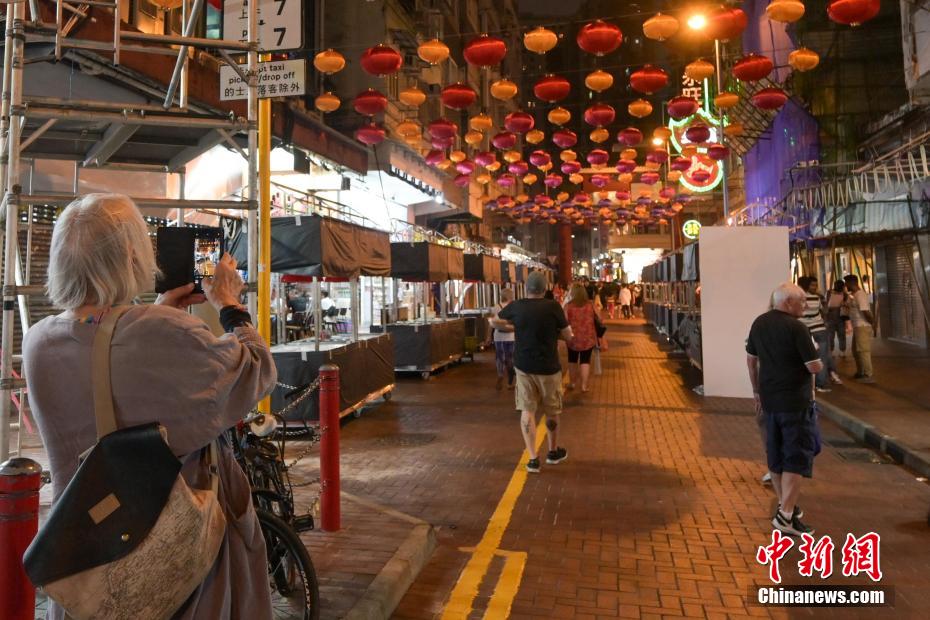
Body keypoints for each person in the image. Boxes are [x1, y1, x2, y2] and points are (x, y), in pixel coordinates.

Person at [23, 194, 277, 619]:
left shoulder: (38, 341)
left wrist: (163, 314)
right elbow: (256, 369)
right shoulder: (163, 332)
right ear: (131, 256)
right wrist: (230, 304)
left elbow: (110, 362)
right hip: (177, 562)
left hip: (91, 565)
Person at [746, 282, 823, 536]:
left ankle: (785, 507)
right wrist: (817, 356)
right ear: (788, 303)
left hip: (769, 400)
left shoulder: (759, 323)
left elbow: (751, 360)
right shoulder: (797, 329)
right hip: (795, 403)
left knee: (776, 456)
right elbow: (814, 367)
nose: (806, 305)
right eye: (802, 300)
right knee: (796, 457)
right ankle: (786, 516)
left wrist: (756, 390)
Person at [495, 271, 573, 473]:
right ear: (545, 288)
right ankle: (553, 452)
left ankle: (532, 458)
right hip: (549, 367)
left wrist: (514, 327)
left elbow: (494, 320)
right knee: (552, 410)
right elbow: (567, 334)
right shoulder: (553, 307)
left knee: (527, 410)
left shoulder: (517, 305)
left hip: (524, 367)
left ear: (526, 288)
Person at [797, 276, 833, 392]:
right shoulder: (817, 298)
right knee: (822, 357)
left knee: (804, 357)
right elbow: (823, 311)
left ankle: (806, 384)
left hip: (805, 331)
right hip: (819, 329)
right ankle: (821, 384)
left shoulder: (798, 299)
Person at [563, 283, 599, 393]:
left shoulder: (568, 306)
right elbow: (600, 318)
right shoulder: (590, 305)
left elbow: (564, 321)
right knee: (585, 361)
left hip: (572, 338)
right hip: (588, 337)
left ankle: (572, 383)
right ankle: (584, 386)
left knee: (572, 360)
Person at [844, 274, 876, 383]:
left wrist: (872, 323)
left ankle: (868, 375)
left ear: (851, 283)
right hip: (857, 326)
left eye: (846, 283)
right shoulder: (854, 295)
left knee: (863, 351)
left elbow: (865, 311)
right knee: (856, 350)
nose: (845, 286)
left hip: (862, 326)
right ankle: (861, 372)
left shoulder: (860, 295)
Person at [490, 288, 516, 390]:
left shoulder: (496, 307)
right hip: (511, 336)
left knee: (499, 357)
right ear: (510, 296)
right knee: (510, 358)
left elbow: (491, 324)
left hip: (498, 337)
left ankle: (500, 374)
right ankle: (510, 382)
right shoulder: (513, 307)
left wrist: (488, 336)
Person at [824, 280, 849, 362]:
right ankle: (834, 351)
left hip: (840, 316)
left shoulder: (844, 294)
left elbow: (847, 304)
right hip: (831, 316)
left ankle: (841, 351)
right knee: (832, 335)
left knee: (839, 334)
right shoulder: (829, 293)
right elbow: (825, 304)